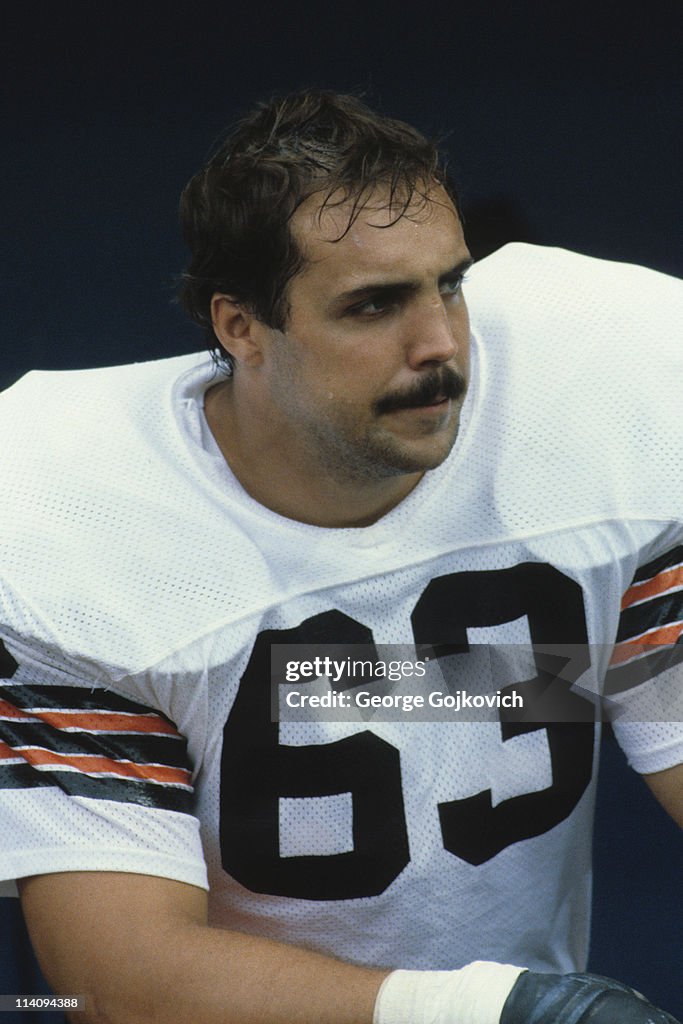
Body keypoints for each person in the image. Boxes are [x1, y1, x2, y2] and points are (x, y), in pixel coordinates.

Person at [0, 90, 681, 1024]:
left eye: (449, 283)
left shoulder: (602, 402)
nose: (440, 343)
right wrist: (491, 1014)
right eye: (372, 306)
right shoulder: (69, 520)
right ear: (239, 328)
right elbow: (121, 980)